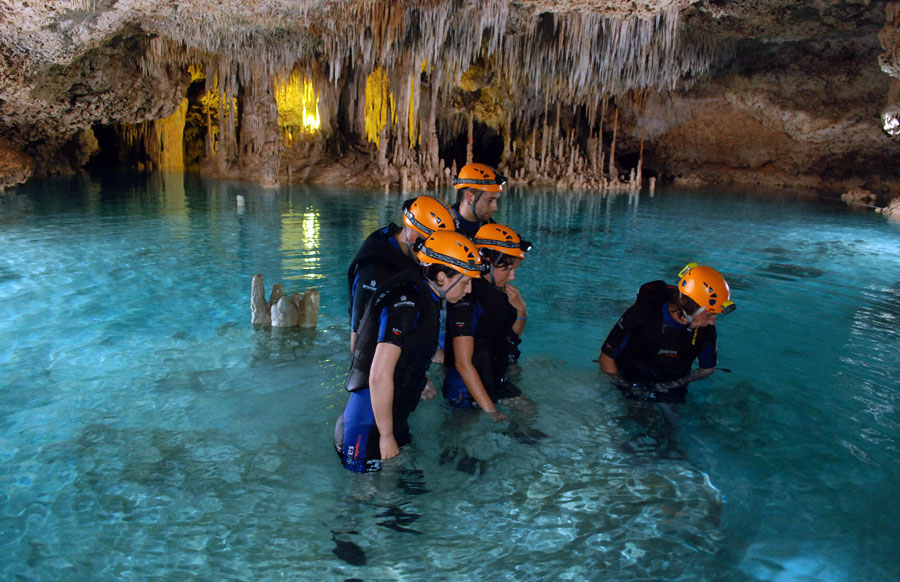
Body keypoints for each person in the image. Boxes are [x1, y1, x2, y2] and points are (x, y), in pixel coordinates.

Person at [335, 230, 485, 473]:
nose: (469, 290)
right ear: (441, 278)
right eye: (466, 281)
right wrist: (385, 436)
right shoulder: (407, 301)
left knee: (406, 498)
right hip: (367, 423)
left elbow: (407, 350)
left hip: (392, 418)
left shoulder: (425, 295)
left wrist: (419, 380)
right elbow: (379, 374)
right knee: (364, 503)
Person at [598, 263, 737, 403]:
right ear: (689, 305)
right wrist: (627, 387)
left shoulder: (706, 330)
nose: (712, 322)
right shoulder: (642, 314)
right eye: (708, 315)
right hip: (629, 378)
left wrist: (671, 385)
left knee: (674, 423)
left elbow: (707, 369)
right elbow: (606, 360)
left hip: (671, 385)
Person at [443, 223, 531, 419]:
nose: (513, 276)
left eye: (515, 269)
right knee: (462, 436)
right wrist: (491, 411)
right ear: (487, 262)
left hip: (493, 376)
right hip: (465, 388)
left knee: (528, 412)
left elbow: (508, 339)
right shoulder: (465, 297)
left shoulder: (499, 294)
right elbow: (462, 363)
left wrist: (521, 310)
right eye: (507, 269)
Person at [347, 195, 457, 352]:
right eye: (435, 247)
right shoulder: (375, 270)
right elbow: (359, 345)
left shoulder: (411, 253)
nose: (438, 256)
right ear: (413, 238)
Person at [451, 163, 506, 237]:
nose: (495, 207)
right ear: (469, 197)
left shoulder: (494, 232)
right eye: (490, 200)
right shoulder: (443, 230)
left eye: (496, 200)